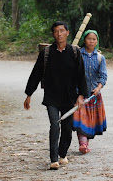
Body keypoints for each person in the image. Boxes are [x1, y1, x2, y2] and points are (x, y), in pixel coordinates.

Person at [24, 21, 89, 170]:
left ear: (67, 33)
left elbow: (81, 75)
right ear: (53, 34)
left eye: (62, 31)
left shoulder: (74, 52)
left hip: (70, 97)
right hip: (52, 97)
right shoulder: (46, 53)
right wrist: (29, 94)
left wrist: (81, 96)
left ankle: (62, 154)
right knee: (54, 125)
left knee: (67, 127)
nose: (59, 34)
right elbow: (36, 74)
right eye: (56, 31)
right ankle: (53, 159)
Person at [73, 30, 107, 153]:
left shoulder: (100, 58)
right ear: (84, 40)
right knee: (81, 119)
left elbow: (103, 76)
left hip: (93, 95)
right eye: (89, 39)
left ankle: (85, 144)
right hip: (79, 94)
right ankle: (83, 144)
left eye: (94, 39)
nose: (91, 41)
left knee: (90, 120)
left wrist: (98, 88)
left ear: (97, 41)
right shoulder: (77, 55)